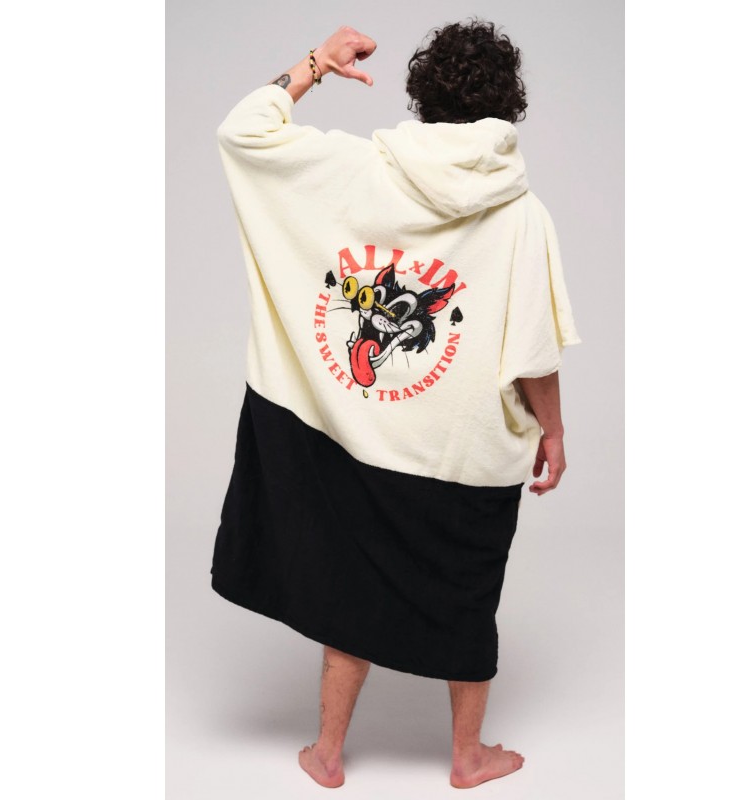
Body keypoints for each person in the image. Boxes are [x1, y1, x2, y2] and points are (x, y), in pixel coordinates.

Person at [209, 19, 581, 790]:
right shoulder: (522, 213)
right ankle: (467, 758)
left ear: (421, 95)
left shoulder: (353, 169)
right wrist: (552, 430)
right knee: (467, 596)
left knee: (351, 593)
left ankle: (328, 753)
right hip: (462, 452)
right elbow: (534, 352)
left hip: (356, 436)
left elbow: (242, 131)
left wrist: (317, 63)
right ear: (507, 104)